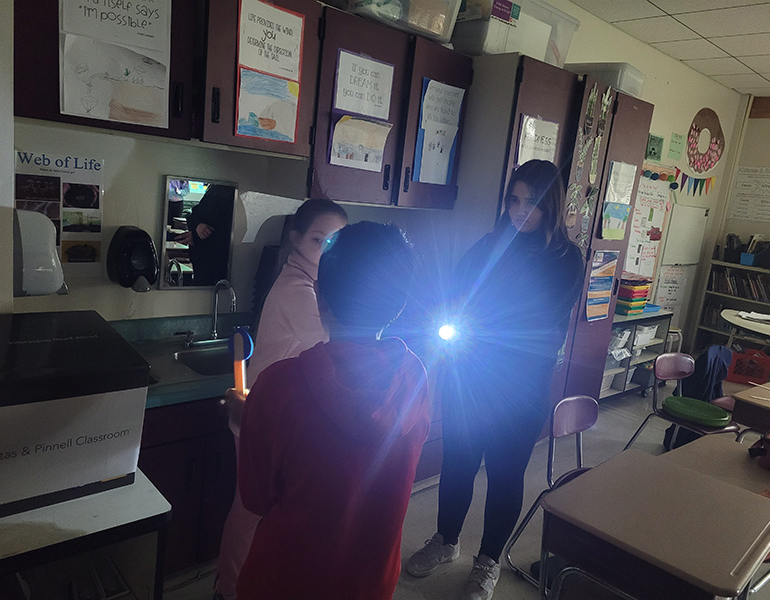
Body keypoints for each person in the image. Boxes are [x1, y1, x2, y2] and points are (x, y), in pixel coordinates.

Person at [405, 160, 585, 600]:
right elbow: (455, 293)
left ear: (552, 205)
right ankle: (446, 541)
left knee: (505, 476)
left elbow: (536, 320)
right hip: (472, 380)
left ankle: (488, 561)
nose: (519, 210)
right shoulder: (489, 244)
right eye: (514, 199)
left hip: (520, 391)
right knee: (459, 465)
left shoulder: (565, 259)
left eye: (532, 203)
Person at [225, 221, 429, 600]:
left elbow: (255, 497)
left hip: (284, 580)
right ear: (400, 304)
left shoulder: (279, 386)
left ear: (319, 295)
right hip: (370, 580)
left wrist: (246, 421)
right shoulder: (415, 375)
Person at [214, 198, 347, 600]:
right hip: (262, 410)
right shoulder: (296, 288)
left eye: (335, 241)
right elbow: (332, 342)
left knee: (264, 507)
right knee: (251, 509)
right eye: (317, 239)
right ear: (295, 241)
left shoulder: (315, 283)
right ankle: (230, 588)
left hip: (277, 410)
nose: (326, 249)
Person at [175, 183, 234, 286]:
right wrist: (197, 226)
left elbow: (230, 236)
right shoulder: (214, 190)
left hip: (216, 265)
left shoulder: (233, 196)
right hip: (201, 262)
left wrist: (196, 237)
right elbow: (195, 213)